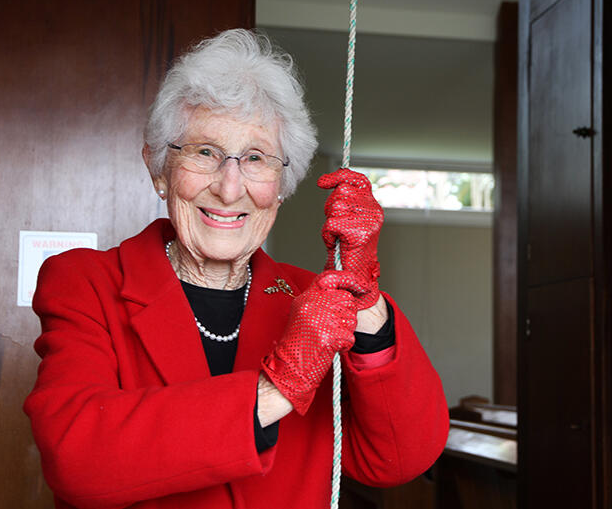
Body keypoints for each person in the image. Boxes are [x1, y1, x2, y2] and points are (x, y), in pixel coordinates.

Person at [24, 29, 449, 509]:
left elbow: (395, 459)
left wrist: (364, 300)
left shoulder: (312, 300)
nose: (230, 188)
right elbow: (76, 457)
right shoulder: (86, 283)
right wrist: (277, 388)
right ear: (159, 169)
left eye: (256, 159)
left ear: (282, 185)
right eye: (205, 152)